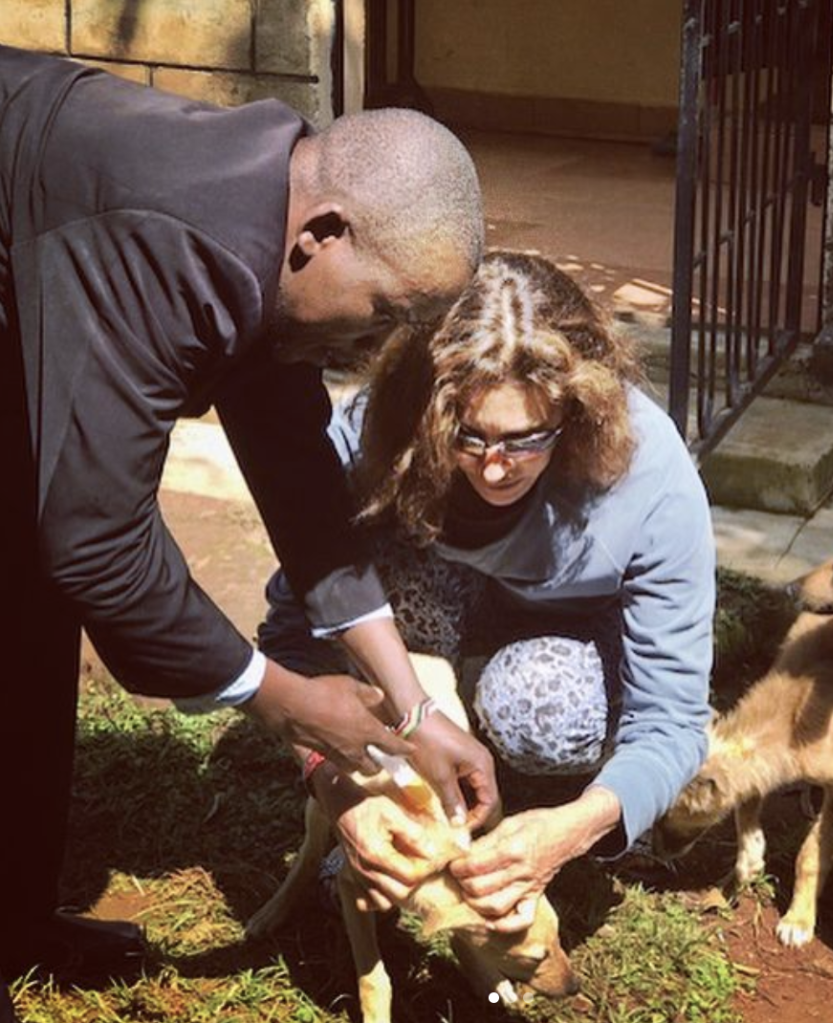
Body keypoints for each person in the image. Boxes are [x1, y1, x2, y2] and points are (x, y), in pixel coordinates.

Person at [0, 43, 497, 1008]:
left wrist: (413, 705)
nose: (375, 347)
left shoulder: (273, 240)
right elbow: (97, 540)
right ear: (325, 232)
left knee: (28, 604)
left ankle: (14, 925)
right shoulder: (179, 248)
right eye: (385, 310)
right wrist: (283, 697)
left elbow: (301, 481)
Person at [260, 250, 716, 926]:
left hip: (561, 647)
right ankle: (407, 776)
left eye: (526, 438)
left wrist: (581, 823)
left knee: (541, 704)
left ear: (580, 406)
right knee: (383, 572)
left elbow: (674, 718)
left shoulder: (652, 480)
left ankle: (505, 749)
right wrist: (332, 779)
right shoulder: (377, 433)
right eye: (468, 436)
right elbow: (291, 640)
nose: (495, 467)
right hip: (431, 631)